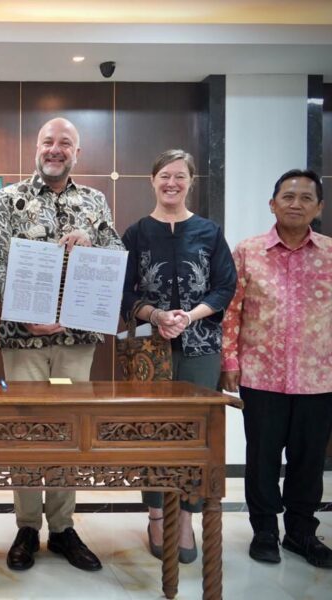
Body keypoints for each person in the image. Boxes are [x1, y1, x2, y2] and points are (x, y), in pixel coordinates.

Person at [0, 117, 122, 573]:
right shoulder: (8, 199)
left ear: (77, 153)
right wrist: (24, 312)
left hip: (77, 337)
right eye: (48, 141)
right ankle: (27, 526)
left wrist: (92, 241)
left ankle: (62, 527)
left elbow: (116, 254)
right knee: (26, 431)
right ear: (36, 148)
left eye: (65, 143)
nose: (55, 149)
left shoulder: (95, 201)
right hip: (22, 338)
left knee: (67, 430)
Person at [121, 148, 236, 564]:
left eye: (180, 176)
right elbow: (123, 291)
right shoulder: (136, 233)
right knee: (150, 431)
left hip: (200, 346)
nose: (172, 183)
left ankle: (186, 515)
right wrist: (155, 315)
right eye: (165, 176)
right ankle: (156, 514)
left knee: (194, 433)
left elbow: (225, 286)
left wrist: (189, 316)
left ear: (191, 182)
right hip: (149, 350)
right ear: (152, 181)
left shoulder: (209, 231)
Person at [221, 169, 332, 569]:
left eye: (306, 198)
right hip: (261, 374)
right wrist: (230, 361)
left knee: (309, 461)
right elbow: (231, 311)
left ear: (318, 208)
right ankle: (265, 530)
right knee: (262, 457)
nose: (296, 204)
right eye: (288, 196)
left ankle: (301, 532)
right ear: (272, 204)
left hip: (319, 378)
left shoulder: (330, 253)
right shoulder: (248, 250)